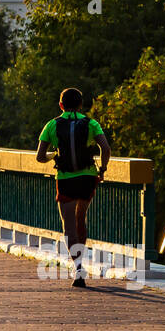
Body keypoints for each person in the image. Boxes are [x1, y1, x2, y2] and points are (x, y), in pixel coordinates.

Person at [35, 87, 110, 288]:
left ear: (61, 105)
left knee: (69, 225)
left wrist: (55, 155)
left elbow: (40, 157)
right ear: (80, 105)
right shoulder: (91, 123)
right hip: (87, 177)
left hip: (66, 178)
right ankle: (82, 259)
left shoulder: (51, 125)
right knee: (80, 219)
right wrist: (102, 169)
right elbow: (105, 147)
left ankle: (78, 268)